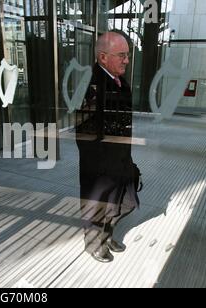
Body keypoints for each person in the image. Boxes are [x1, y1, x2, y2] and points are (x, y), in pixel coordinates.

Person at [76, 32, 141, 263]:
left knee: (124, 202)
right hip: (100, 166)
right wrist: (103, 167)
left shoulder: (120, 82)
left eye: (127, 55)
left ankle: (106, 234)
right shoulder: (89, 86)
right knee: (98, 206)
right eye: (122, 55)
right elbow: (83, 133)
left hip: (120, 159)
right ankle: (94, 245)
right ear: (103, 57)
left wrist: (125, 159)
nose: (126, 60)